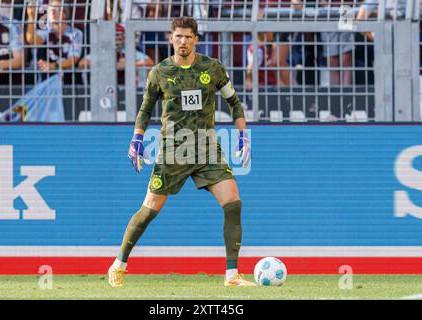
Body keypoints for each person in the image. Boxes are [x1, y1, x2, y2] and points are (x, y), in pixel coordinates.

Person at [107, 16, 256, 287]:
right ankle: (119, 263)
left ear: (196, 39)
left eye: (188, 36)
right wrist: (136, 139)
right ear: (171, 38)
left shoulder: (212, 68)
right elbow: (145, 109)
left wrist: (243, 133)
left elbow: (233, 101)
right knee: (149, 209)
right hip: (173, 152)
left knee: (233, 203)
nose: (183, 41)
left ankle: (232, 275)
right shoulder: (160, 72)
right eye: (178, 36)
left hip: (206, 149)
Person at [25, 0, 83, 84]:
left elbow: (73, 59)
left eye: (57, 9)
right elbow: (31, 40)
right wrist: (31, 17)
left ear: (64, 14)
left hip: (70, 82)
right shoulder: (46, 32)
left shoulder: (75, 33)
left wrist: (52, 66)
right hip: (48, 82)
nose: (52, 11)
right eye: (50, 9)